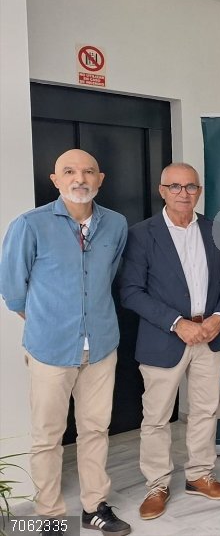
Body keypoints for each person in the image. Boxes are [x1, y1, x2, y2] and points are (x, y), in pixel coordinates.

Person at [0, 149, 131, 536]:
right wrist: (49, 319)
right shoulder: (30, 224)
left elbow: (110, 276)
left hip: (102, 345)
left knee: (95, 430)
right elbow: (13, 290)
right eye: (70, 171)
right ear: (55, 179)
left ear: (101, 178)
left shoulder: (117, 224)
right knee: (47, 435)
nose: (80, 178)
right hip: (50, 349)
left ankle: (94, 507)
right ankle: (49, 516)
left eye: (89, 171)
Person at [119, 163, 220, 520]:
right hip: (164, 338)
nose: (183, 193)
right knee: (156, 418)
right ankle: (157, 484)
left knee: (205, 410)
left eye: (190, 187)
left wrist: (218, 318)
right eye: (175, 187)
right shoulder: (142, 234)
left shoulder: (213, 229)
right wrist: (177, 323)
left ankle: (200, 475)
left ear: (199, 191)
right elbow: (131, 292)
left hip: (210, 335)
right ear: (162, 191)